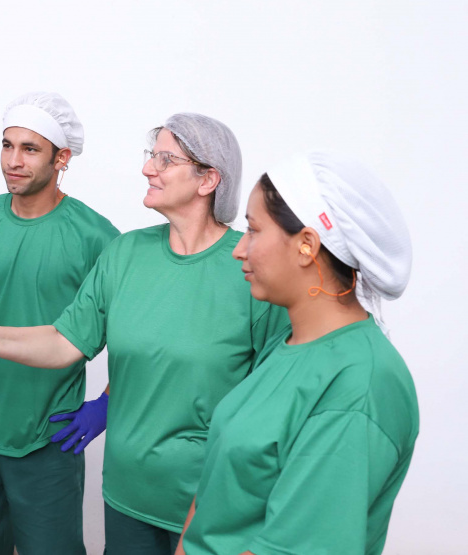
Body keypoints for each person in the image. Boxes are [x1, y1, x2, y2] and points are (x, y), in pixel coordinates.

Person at [0, 113, 288, 554]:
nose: (149, 168)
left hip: (208, 499)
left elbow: (273, 399)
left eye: (166, 159)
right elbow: (63, 341)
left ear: (208, 180)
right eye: (152, 156)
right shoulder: (126, 254)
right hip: (128, 495)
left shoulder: (247, 267)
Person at [176, 152, 418, 555]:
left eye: (253, 231)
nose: (240, 250)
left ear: (307, 245)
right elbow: (215, 494)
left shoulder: (361, 382)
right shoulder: (287, 344)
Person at [0, 92, 119, 555]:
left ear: (61, 158)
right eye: (7, 145)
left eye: (30, 149)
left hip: (48, 435)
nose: (13, 161)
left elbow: (132, 334)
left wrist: (106, 402)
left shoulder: (96, 237)